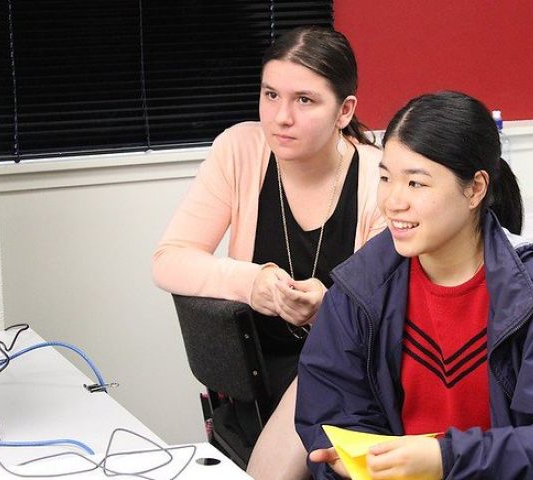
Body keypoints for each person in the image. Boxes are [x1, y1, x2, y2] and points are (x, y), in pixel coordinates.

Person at [295, 91, 533, 479]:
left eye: (416, 183)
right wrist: (356, 464)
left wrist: (445, 459)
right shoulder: (359, 288)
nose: (393, 201)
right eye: (385, 178)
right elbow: (332, 417)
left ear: (475, 189)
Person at [152, 26, 384, 480]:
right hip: (254, 371)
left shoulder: (381, 176)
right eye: (270, 95)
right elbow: (169, 258)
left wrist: (326, 309)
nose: (280, 117)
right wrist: (250, 282)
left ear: (345, 111)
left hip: (346, 369)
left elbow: (382, 309)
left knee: (329, 359)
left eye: (304, 100)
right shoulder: (241, 149)